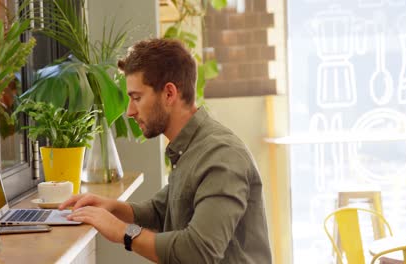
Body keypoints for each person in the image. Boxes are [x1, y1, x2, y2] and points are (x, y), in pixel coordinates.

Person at [59, 38, 272, 264]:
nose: (130, 112)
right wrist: (111, 208)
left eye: (137, 98)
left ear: (169, 94)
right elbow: (162, 210)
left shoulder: (222, 155)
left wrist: (123, 232)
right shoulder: (189, 148)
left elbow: (198, 253)